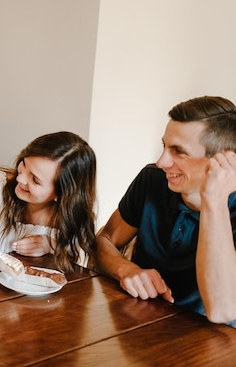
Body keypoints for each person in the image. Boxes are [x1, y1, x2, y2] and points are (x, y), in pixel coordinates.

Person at [94, 95, 236, 327]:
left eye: (179, 151)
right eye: (164, 146)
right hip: (139, 322)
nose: (161, 162)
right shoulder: (152, 180)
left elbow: (223, 310)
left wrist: (213, 199)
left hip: (211, 341)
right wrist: (125, 269)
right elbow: (105, 240)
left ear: (224, 161)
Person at [0, 131, 97, 273]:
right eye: (24, 164)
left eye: (35, 180)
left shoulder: (73, 219)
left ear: (62, 194)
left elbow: (72, 275)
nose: (20, 179)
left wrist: (50, 244)